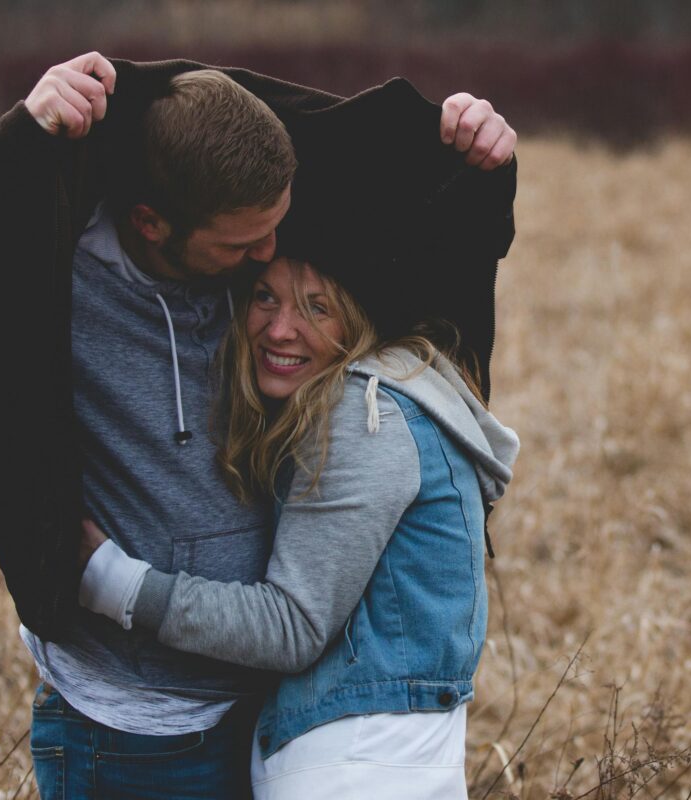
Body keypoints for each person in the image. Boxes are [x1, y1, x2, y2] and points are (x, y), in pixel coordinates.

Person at [0, 51, 517, 797]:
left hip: (265, 718)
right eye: (243, 249)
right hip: (128, 731)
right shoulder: (46, 274)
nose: (268, 257)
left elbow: (421, 222)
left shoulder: (256, 250)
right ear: (152, 224)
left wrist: (479, 153)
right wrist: (14, 136)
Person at [78, 254, 517, 798]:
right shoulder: (403, 394)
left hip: (352, 770)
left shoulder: (366, 415)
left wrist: (110, 581)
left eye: (317, 308)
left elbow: (292, 627)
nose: (281, 329)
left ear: (360, 319)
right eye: (265, 297)